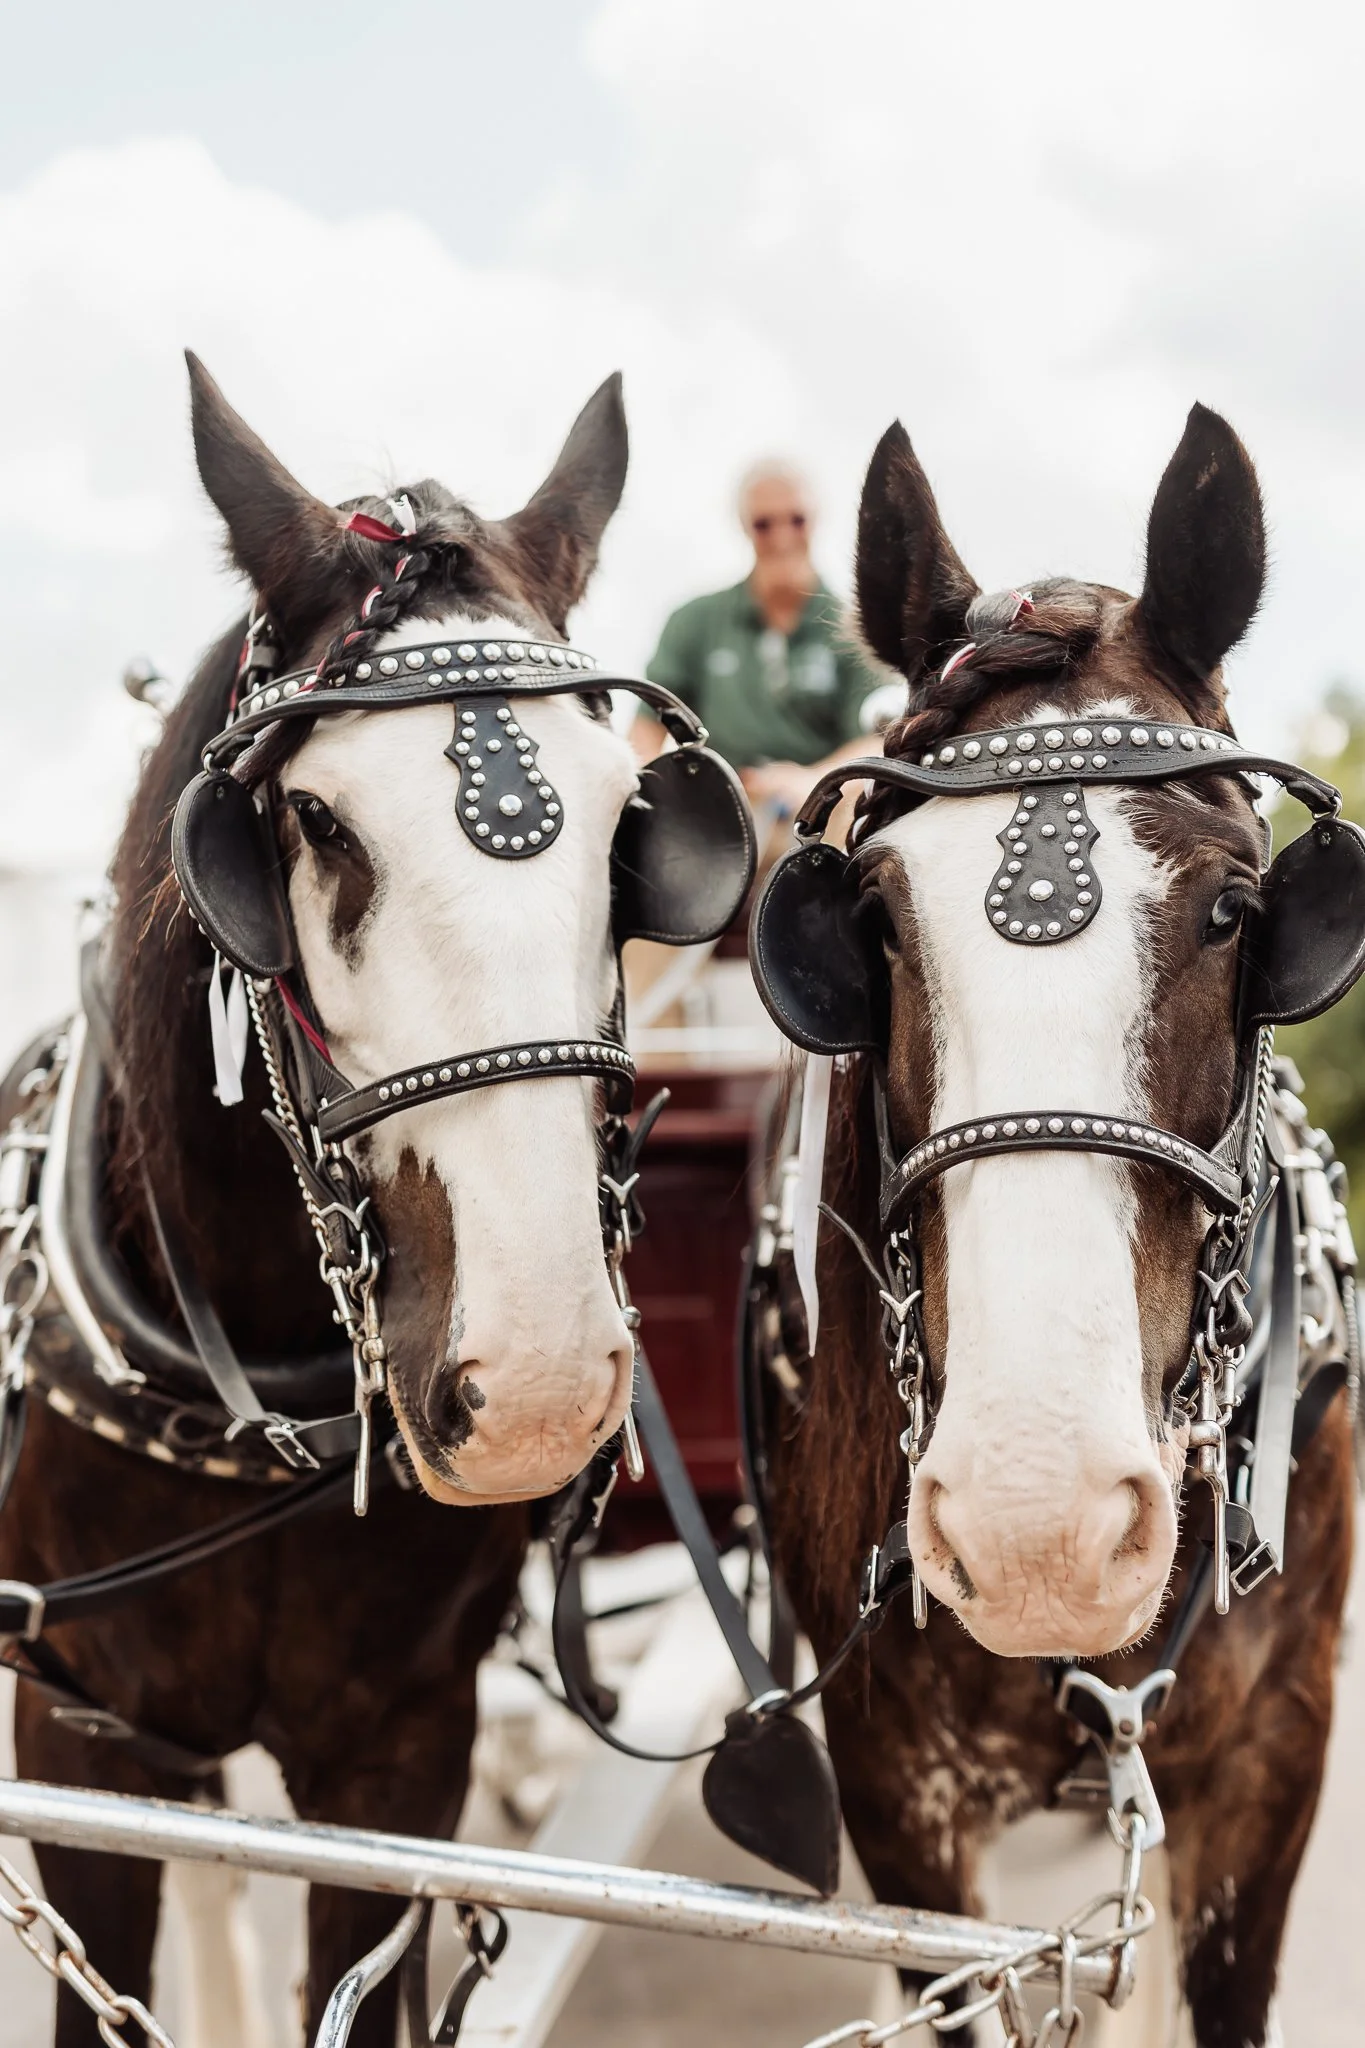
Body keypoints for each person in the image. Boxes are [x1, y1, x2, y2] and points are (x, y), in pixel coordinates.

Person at [634, 460, 886, 812]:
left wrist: (815, 779)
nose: (782, 537)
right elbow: (646, 728)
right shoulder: (694, 621)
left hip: (825, 811)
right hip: (718, 815)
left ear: (816, 519)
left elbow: (878, 740)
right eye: (764, 524)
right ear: (744, 526)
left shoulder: (858, 630)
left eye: (796, 520)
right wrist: (647, 796)